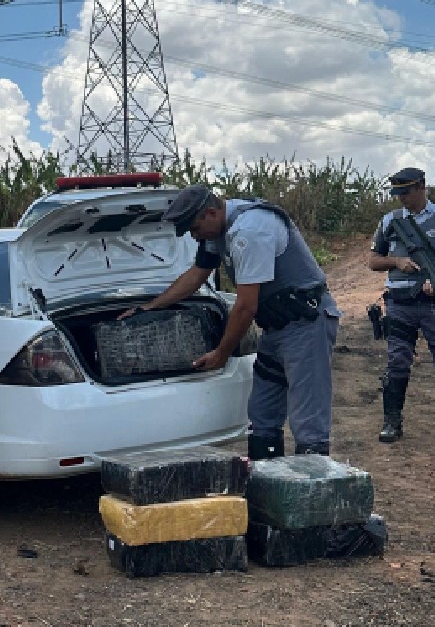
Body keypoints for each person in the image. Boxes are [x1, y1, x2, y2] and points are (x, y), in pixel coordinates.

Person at [121, 183, 340, 458]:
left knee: (308, 423)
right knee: (262, 415)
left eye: (194, 228)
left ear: (210, 213)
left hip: (306, 325)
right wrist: (149, 307)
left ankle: (314, 493)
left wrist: (222, 352)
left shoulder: (249, 231)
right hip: (275, 328)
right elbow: (197, 275)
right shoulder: (218, 230)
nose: (193, 234)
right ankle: (266, 486)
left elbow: (245, 307)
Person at [369, 167, 435, 444]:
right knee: (397, 363)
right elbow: (373, 261)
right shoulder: (390, 221)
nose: (401, 198)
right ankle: (392, 422)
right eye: (397, 193)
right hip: (399, 303)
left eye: (406, 192)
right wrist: (396, 262)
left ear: (421, 188)